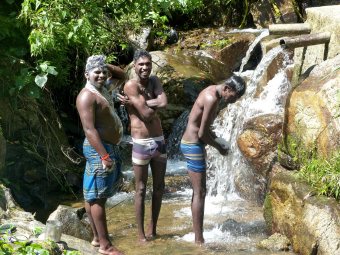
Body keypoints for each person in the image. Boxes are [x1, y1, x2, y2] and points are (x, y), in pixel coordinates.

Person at [180, 75, 246, 244]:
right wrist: (220, 147)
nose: (234, 100)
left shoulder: (211, 90)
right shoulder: (211, 99)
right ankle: (199, 240)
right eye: (235, 96)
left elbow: (202, 127)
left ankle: (197, 235)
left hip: (191, 143)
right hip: (193, 144)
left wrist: (215, 138)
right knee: (200, 192)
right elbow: (202, 134)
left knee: (198, 192)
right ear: (227, 89)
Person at [76, 55, 124, 255]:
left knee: (91, 195)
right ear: (87, 75)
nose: (102, 75)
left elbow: (123, 75)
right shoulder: (87, 96)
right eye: (97, 72)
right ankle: (106, 246)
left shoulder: (103, 89)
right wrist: (104, 156)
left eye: (104, 72)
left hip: (105, 147)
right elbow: (89, 130)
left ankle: (97, 238)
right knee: (97, 198)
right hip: (99, 149)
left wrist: (104, 63)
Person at [120, 49, 167, 242]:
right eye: (141, 64)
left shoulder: (155, 81)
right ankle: (140, 235)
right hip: (141, 141)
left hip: (159, 140)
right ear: (134, 66)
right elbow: (147, 115)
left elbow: (164, 102)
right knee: (140, 189)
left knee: (159, 187)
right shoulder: (131, 85)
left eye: (148, 64)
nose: (145, 67)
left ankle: (153, 229)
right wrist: (140, 102)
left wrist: (140, 102)